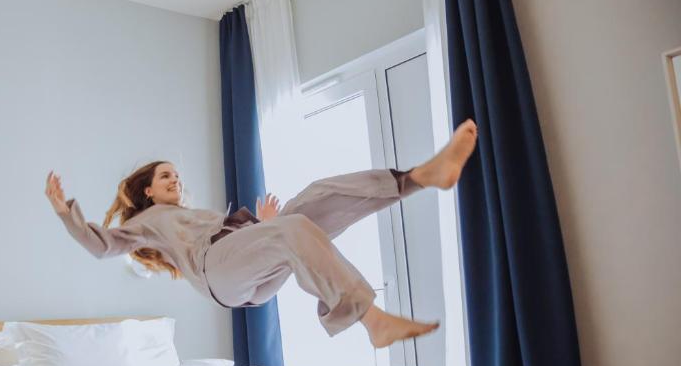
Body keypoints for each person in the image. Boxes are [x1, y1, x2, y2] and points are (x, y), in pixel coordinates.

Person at [45, 120, 478, 349]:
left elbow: (241, 241)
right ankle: (373, 320)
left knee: (313, 199)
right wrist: (65, 212)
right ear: (148, 189)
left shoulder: (197, 214)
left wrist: (264, 228)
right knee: (292, 226)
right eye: (165, 176)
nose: (174, 179)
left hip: (249, 276)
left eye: (176, 174)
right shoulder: (146, 222)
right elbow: (100, 246)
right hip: (219, 275)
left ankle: (420, 177)